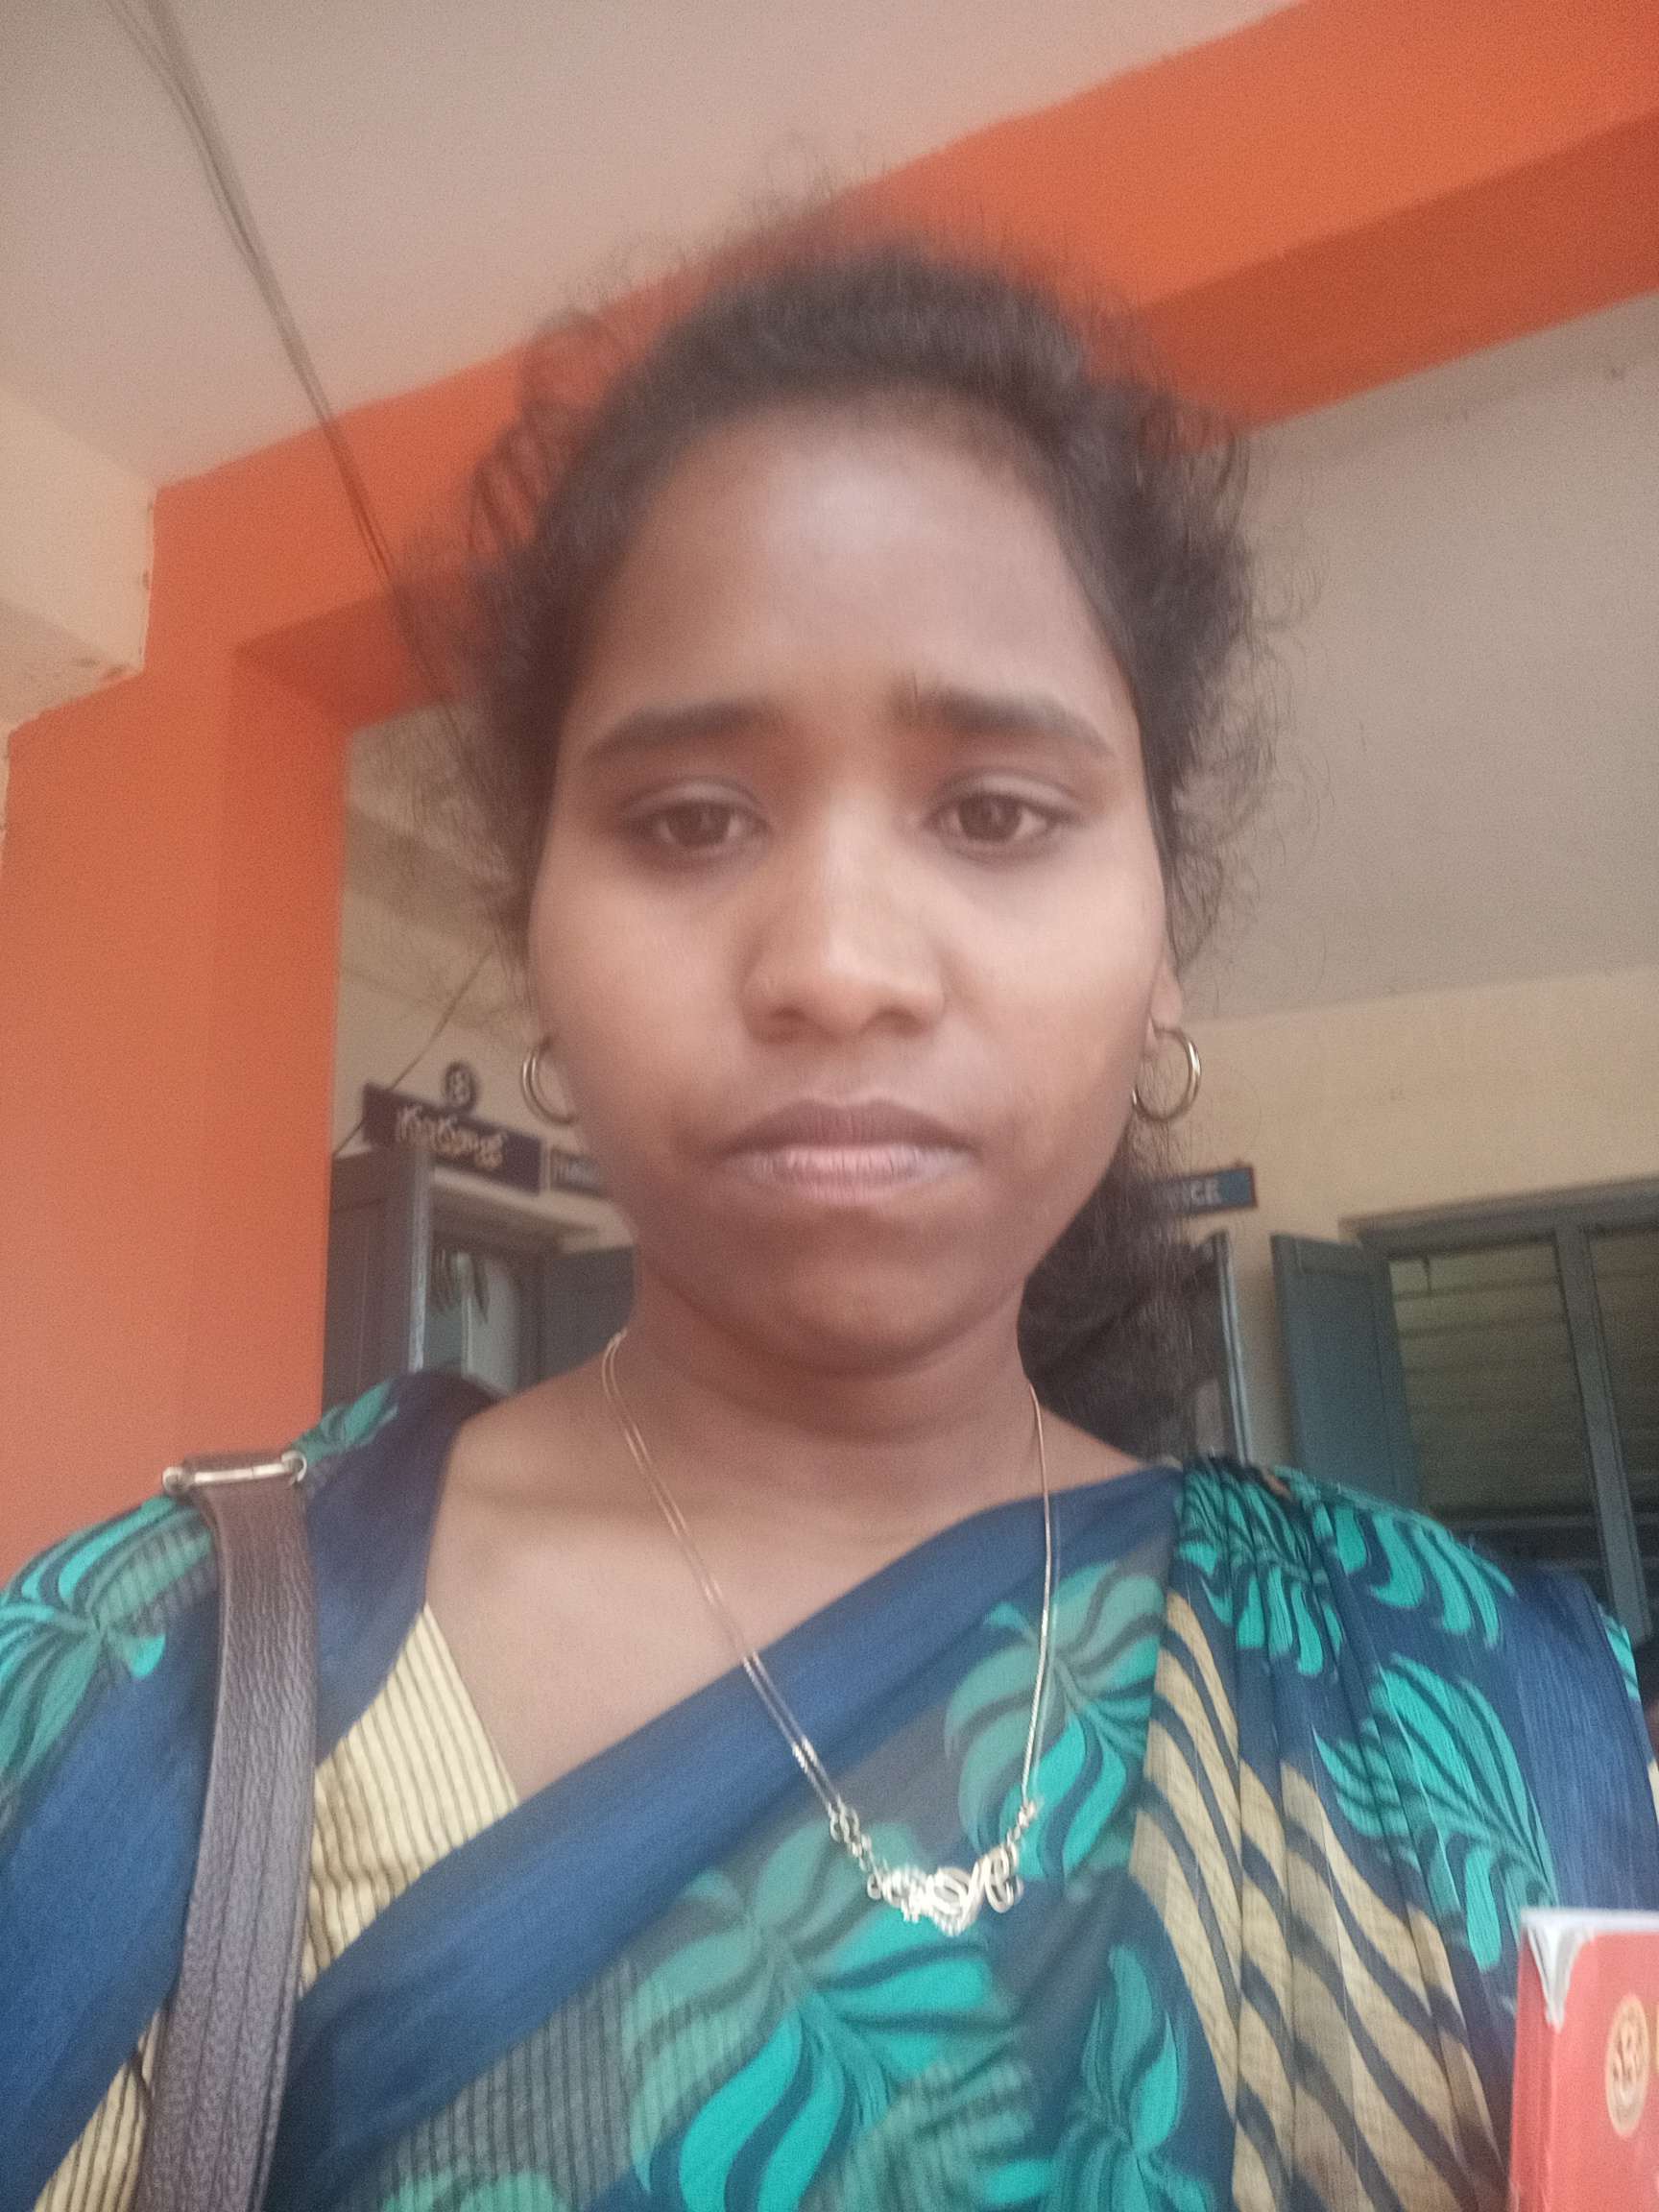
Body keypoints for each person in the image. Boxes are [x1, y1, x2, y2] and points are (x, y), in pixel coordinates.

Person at [5, 231, 1656, 2212]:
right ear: (537, 946)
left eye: (996, 812)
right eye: (690, 819)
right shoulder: (137, 1691)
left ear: (1163, 947)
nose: (840, 967)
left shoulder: (1467, 1712)